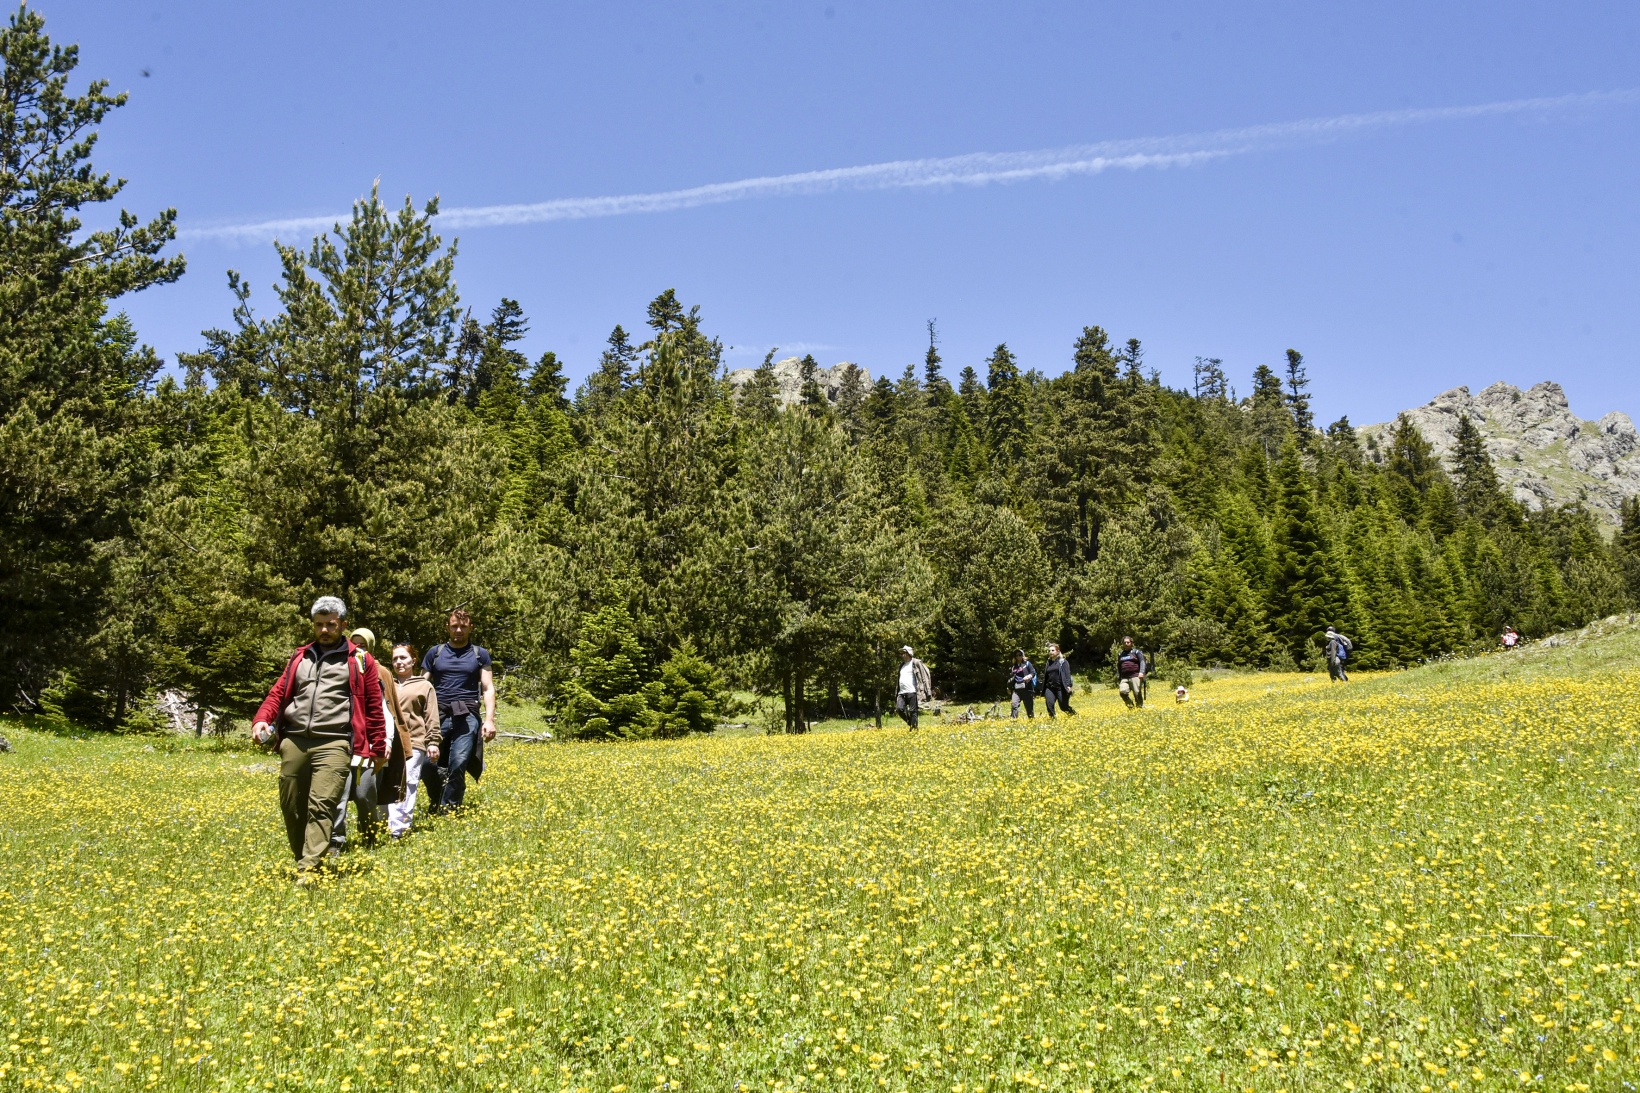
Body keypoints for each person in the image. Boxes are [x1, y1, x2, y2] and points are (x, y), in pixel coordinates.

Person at [251, 597, 386, 881]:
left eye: (330, 625)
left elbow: (374, 706)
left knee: (322, 804)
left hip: (335, 742)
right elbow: (278, 693)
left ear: (343, 625)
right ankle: (304, 855)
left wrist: (379, 746)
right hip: (295, 741)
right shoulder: (300, 656)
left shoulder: (360, 660)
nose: (324, 630)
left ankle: (309, 869)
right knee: (291, 805)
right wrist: (262, 718)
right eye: (319, 625)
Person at [330, 627, 412, 851]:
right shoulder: (342, 667)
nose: (358, 649)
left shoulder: (379, 671)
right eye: (354, 644)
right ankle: (336, 842)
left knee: (366, 795)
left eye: (363, 645)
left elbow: (386, 710)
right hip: (343, 742)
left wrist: (384, 740)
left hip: (369, 744)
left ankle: (370, 836)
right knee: (339, 796)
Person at [422, 609, 496, 811]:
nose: (458, 630)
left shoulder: (480, 655)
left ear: (471, 628)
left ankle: (449, 809)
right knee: (427, 764)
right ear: (447, 627)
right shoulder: (434, 653)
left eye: (463, 626)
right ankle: (437, 797)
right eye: (454, 626)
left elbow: (488, 688)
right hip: (438, 715)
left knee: (459, 761)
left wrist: (489, 720)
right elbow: (420, 686)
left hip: (467, 714)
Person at [387, 642, 441, 835]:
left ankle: (399, 829)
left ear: (413, 660)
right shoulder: (386, 684)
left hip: (415, 741)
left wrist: (433, 742)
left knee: (408, 783)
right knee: (388, 782)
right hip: (388, 742)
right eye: (395, 659)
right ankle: (385, 825)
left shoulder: (424, 686)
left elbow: (431, 716)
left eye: (403, 658)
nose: (399, 662)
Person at [893, 645, 933, 730]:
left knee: (913, 711)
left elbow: (924, 677)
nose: (902, 655)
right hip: (902, 692)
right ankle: (910, 722)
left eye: (903, 653)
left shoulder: (916, 663)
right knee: (899, 709)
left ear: (908, 653)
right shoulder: (901, 665)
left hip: (912, 691)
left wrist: (928, 691)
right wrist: (896, 692)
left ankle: (914, 728)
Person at [1040, 643, 1076, 718]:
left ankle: (1073, 714)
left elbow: (1067, 674)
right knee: (1049, 704)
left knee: (1063, 706)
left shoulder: (1063, 662)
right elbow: (1046, 676)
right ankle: (1052, 720)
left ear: (1058, 651)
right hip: (1050, 688)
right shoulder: (1048, 663)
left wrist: (1069, 685)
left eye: (1053, 650)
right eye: (1049, 651)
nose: (1051, 652)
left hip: (1061, 687)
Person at [1115, 636, 1148, 709]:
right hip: (1124, 677)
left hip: (1135, 675)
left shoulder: (1136, 652)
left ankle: (1140, 707)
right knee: (1122, 692)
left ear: (1131, 643)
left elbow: (1142, 662)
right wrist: (1118, 675)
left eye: (1128, 642)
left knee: (1137, 693)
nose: (1126, 644)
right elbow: (1119, 665)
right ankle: (1130, 705)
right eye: (1124, 642)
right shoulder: (1120, 654)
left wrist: (1142, 672)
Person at [1008, 649, 1037, 719]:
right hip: (1017, 688)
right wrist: (1008, 687)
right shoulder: (1014, 666)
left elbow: (1033, 672)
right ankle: (1013, 720)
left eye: (1020, 655)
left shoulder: (1027, 663)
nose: (1018, 656)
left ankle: (1032, 720)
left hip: (1027, 688)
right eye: (1016, 655)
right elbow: (1011, 678)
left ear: (1023, 655)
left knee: (1029, 707)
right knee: (1014, 704)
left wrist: (1028, 676)